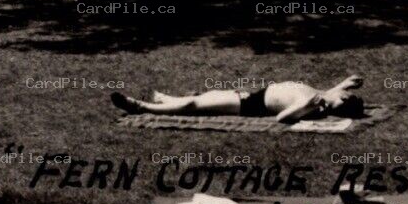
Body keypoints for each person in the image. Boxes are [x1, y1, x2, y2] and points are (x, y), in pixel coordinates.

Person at [110, 75, 365, 123]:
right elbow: (327, 95)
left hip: (248, 105)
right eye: (347, 94)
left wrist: (303, 107)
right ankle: (166, 98)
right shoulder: (322, 96)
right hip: (251, 94)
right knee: (203, 98)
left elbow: (282, 118)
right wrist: (341, 84)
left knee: (193, 106)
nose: (345, 94)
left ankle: (141, 107)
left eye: (345, 99)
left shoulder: (314, 104)